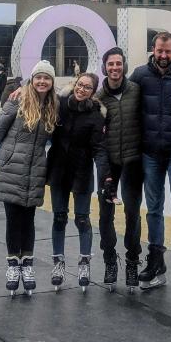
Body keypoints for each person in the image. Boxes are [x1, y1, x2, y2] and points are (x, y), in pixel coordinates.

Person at [0, 60, 59, 297]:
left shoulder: (54, 105)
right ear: (31, 79)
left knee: (29, 219)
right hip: (10, 168)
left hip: (34, 170)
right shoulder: (17, 100)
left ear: (52, 82)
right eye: (39, 77)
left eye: (47, 78)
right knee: (13, 219)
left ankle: (27, 265)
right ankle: (13, 265)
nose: (42, 81)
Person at [129, 31, 171, 289]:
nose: (164, 56)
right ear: (153, 50)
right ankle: (156, 259)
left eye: (168, 51)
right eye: (160, 51)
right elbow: (117, 95)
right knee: (154, 208)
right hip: (150, 153)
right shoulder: (140, 75)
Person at [47, 71, 109, 292]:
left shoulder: (95, 114)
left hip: (81, 171)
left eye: (87, 87)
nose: (82, 89)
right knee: (59, 217)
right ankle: (58, 264)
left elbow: (99, 149)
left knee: (82, 218)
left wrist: (105, 176)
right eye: (80, 85)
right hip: (58, 170)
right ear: (74, 85)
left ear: (93, 92)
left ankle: (84, 262)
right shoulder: (60, 104)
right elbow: (38, 90)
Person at [96, 46, 144, 292]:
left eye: (118, 64)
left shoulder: (136, 90)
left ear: (124, 66)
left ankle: (133, 260)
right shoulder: (98, 97)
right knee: (106, 215)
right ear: (104, 67)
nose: (115, 68)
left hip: (134, 161)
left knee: (133, 214)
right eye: (110, 64)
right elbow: (95, 137)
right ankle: (109, 260)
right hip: (109, 163)